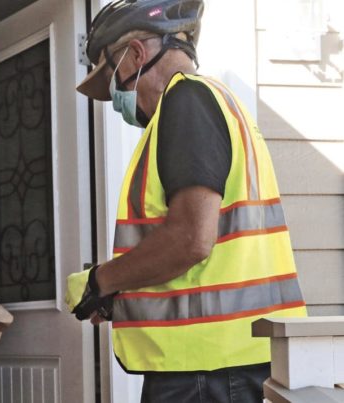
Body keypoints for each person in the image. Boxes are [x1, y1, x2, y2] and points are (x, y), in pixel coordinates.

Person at [66, 1, 307, 402]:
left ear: (138, 55)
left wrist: (101, 281)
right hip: (223, 364)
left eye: (115, 82)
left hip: (204, 373)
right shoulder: (220, 104)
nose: (117, 98)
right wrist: (115, 291)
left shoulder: (186, 101)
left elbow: (191, 240)